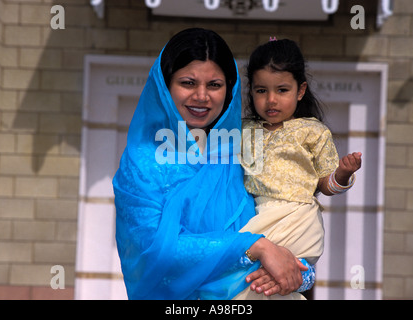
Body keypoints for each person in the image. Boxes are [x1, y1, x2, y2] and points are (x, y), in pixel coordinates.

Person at [112, 28, 309, 300]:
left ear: (230, 90)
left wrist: (291, 274)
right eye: (188, 83)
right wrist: (254, 247)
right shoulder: (142, 163)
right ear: (165, 86)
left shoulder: (247, 152)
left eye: (214, 85)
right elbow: (153, 251)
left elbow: (296, 235)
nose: (201, 96)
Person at [235, 38, 362, 299]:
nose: (271, 100)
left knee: (277, 278)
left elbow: (325, 185)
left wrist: (342, 174)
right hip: (258, 214)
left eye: (282, 90)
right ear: (251, 91)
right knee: (245, 275)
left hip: (298, 217)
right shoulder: (242, 131)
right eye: (261, 91)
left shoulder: (313, 132)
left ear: (300, 90)